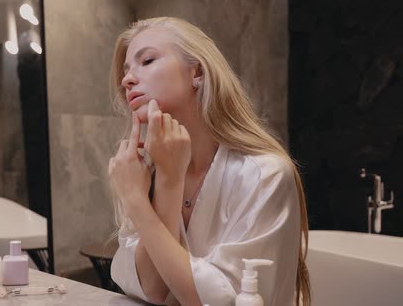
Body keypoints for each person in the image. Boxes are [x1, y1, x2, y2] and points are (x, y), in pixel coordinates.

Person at [107, 17, 310, 306]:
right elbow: (151, 288)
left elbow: (226, 301)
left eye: (147, 60)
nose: (127, 79)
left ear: (197, 73)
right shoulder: (142, 171)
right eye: (126, 71)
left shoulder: (265, 174)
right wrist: (167, 180)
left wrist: (137, 201)